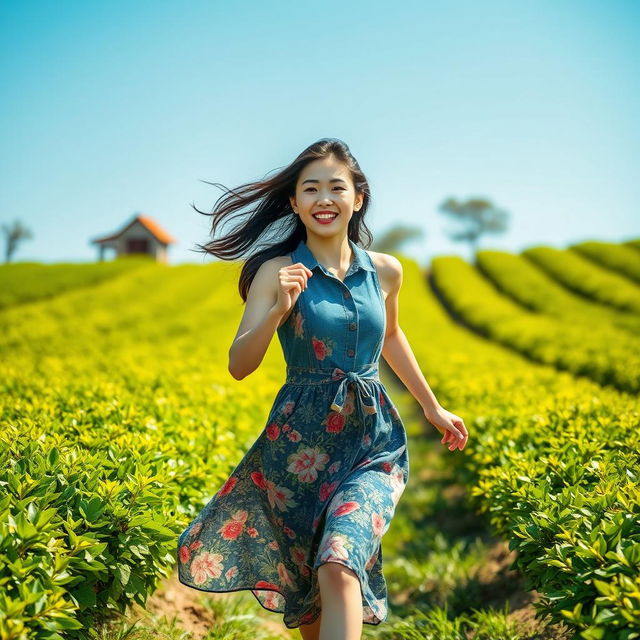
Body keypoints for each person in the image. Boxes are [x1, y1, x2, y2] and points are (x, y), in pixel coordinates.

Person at [177, 138, 468, 640]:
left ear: (358, 198)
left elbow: (392, 336)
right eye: (310, 189)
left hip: (371, 441)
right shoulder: (276, 272)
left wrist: (432, 407)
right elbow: (239, 365)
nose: (323, 198)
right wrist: (278, 310)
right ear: (294, 203)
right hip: (297, 446)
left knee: (339, 560)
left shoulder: (387, 271)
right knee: (308, 594)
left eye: (336, 187)